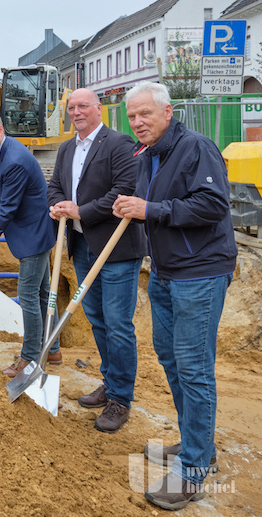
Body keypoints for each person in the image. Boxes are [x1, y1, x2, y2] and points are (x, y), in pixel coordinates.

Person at [113, 82, 237, 511]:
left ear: (168, 111)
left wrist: (150, 210)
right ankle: (197, 445)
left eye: (145, 114)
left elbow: (212, 205)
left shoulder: (196, 148)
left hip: (199, 274)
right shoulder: (150, 154)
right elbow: (157, 201)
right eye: (131, 116)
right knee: (170, 358)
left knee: (195, 368)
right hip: (166, 273)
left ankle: (193, 469)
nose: (138, 122)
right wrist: (135, 204)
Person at [48, 88, 147, 433]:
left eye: (83, 106)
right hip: (82, 247)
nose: (76, 112)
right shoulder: (66, 149)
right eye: (71, 107)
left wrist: (81, 210)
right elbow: (56, 187)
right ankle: (111, 382)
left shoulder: (118, 144)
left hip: (116, 248)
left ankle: (121, 398)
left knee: (119, 323)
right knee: (98, 320)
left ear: (98, 109)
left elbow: (124, 190)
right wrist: (60, 205)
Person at [0, 110, 57, 377]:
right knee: (41, 294)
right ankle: (52, 349)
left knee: (29, 296)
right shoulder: (2, 153)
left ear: (0, 130)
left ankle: (29, 358)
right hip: (35, 230)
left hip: (33, 235)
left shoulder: (14, 160)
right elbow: (8, 197)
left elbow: (7, 212)